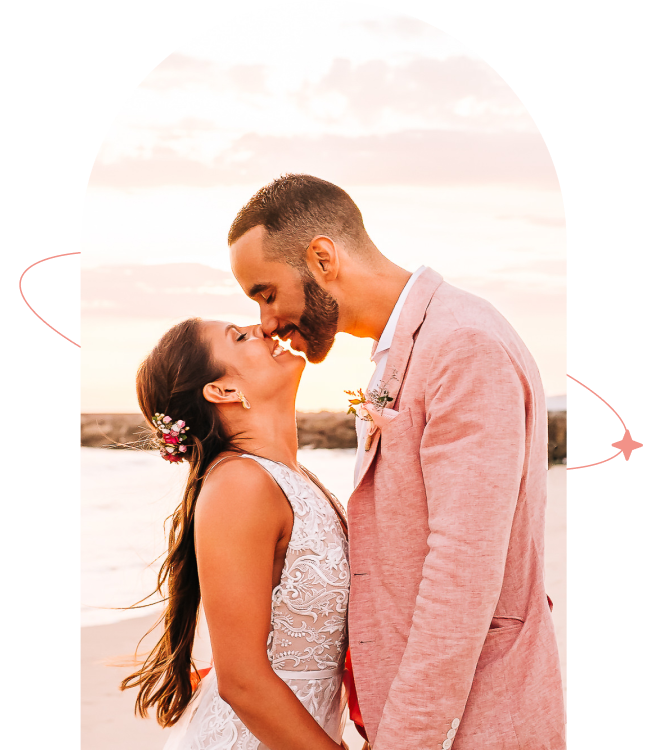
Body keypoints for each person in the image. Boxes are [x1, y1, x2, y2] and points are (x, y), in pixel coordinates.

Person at [227, 174, 567, 750]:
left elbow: (462, 572)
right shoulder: (406, 346)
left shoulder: (462, 344)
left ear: (323, 259)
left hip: (479, 720)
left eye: (266, 293)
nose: (266, 322)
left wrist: (405, 740)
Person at [121, 317, 352, 750]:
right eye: (240, 337)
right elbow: (242, 681)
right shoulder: (240, 485)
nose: (262, 328)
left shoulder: (293, 478)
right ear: (223, 390)